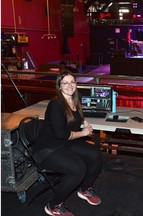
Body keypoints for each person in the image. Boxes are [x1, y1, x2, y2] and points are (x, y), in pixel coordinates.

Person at [34, 70, 103, 216]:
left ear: (76, 84)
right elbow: (61, 134)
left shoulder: (75, 99)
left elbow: (78, 115)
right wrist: (83, 133)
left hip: (65, 143)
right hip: (48, 148)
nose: (69, 85)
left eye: (72, 82)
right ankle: (53, 205)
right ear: (59, 86)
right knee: (78, 169)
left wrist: (84, 122)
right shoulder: (56, 104)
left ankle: (85, 189)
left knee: (95, 154)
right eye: (65, 83)